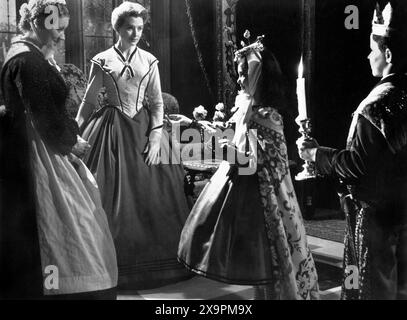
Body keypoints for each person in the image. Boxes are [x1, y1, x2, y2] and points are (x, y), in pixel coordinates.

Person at [176, 36, 319, 300]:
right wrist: (197, 125)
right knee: (256, 265)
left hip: (266, 201)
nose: (240, 80)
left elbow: (254, 162)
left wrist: (217, 146)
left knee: (273, 262)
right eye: (239, 74)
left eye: (245, 74)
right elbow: (235, 133)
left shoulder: (268, 116)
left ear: (259, 75)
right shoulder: (249, 108)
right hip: (246, 193)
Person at [0, 0, 118, 299]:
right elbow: (41, 114)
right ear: (38, 24)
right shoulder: (28, 61)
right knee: (61, 224)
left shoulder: (27, 55)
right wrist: (71, 142)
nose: (62, 36)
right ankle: (61, 288)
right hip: (37, 152)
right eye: (58, 29)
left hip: (33, 146)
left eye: (65, 29)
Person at [76, 1, 191, 289]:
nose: (136, 33)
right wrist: (73, 133)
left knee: (158, 191)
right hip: (111, 129)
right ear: (118, 28)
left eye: (140, 28)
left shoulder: (150, 60)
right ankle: (106, 265)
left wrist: (155, 138)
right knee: (105, 191)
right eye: (130, 27)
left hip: (144, 131)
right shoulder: (102, 60)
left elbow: (157, 103)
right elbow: (89, 102)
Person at [297, 1, 407, 300]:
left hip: (372, 220)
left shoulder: (375, 106)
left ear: (388, 54)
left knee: (364, 284)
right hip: (401, 213)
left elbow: (358, 164)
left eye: (372, 49)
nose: (367, 55)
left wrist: (315, 155)